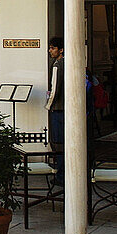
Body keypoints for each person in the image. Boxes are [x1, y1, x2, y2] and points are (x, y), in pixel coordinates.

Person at [46, 36, 65, 186]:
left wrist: (49, 105)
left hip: (59, 109)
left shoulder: (58, 65)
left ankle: (61, 174)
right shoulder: (68, 63)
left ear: (61, 50)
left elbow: (55, 88)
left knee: (58, 143)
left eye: (53, 48)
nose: (50, 51)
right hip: (67, 108)